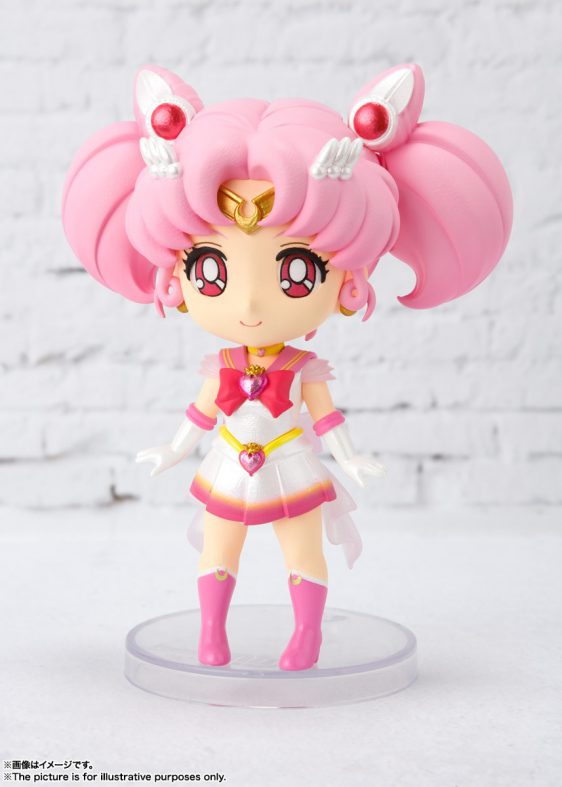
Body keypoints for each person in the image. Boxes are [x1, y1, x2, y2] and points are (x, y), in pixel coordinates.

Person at [61, 63, 512, 671]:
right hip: (229, 460)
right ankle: (211, 631)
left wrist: (350, 457)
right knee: (219, 546)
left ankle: (307, 634)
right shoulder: (221, 362)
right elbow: (200, 412)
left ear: (348, 278)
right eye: (211, 272)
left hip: (290, 462)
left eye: (296, 272)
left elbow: (326, 419)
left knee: (301, 548)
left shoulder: (303, 368)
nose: (249, 305)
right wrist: (172, 449)